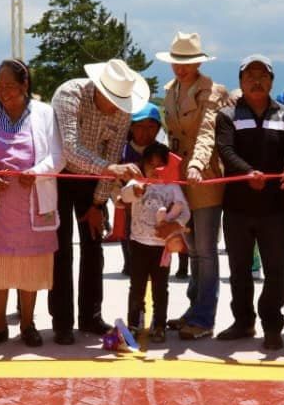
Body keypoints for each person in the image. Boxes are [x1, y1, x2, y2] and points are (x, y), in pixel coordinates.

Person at [49, 59, 148, 345]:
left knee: (94, 248)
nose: (118, 108)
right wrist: (109, 170)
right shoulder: (69, 95)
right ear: (100, 90)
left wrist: (97, 203)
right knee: (61, 250)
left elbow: (114, 154)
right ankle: (62, 322)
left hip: (95, 181)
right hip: (60, 175)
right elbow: (69, 150)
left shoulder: (122, 112)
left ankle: (91, 316)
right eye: (113, 100)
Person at [0, 59, 63, 349]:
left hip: (33, 201)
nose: (4, 91)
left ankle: (28, 324)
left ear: (25, 85)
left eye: (10, 85)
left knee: (29, 267)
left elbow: (58, 157)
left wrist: (37, 173)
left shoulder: (45, 114)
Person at [215, 55, 284, 351]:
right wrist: (245, 172)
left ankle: (272, 325)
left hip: (275, 208)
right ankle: (243, 322)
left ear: (271, 80)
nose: (257, 80)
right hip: (238, 207)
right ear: (240, 82)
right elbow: (225, 150)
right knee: (239, 270)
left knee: (275, 270)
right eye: (250, 75)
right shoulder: (227, 115)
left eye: (262, 75)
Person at [158, 32, 231, 341]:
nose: (181, 68)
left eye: (187, 62)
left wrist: (197, 165)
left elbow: (206, 134)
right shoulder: (169, 90)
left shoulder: (212, 91)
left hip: (206, 177)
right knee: (189, 246)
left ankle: (204, 317)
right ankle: (192, 309)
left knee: (205, 250)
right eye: (177, 61)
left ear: (199, 62)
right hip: (179, 177)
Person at [118, 142, 189, 342]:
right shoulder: (137, 182)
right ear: (143, 165)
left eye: (160, 165)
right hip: (138, 243)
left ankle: (159, 326)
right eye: (151, 165)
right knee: (137, 286)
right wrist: (135, 191)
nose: (156, 169)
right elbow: (123, 197)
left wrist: (174, 225)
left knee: (160, 288)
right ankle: (133, 324)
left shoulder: (173, 187)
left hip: (162, 248)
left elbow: (185, 211)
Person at [116, 104, 166, 275]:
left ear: (158, 128)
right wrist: (121, 199)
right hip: (130, 202)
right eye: (140, 127)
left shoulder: (162, 152)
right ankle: (129, 263)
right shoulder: (121, 151)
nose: (145, 132)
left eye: (151, 127)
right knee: (128, 230)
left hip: (157, 205)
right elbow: (113, 180)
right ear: (131, 127)